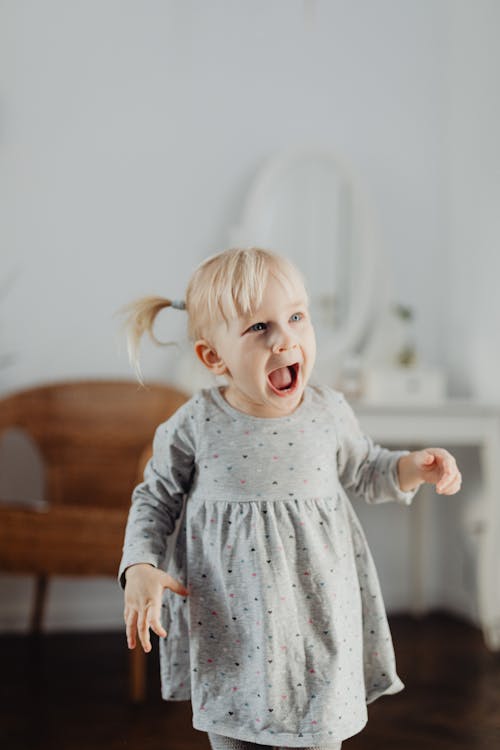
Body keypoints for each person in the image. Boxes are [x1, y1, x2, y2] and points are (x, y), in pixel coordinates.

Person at [118, 247, 462, 750]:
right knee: (237, 734)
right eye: (258, 328)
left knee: (319, 732)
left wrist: (414, 467)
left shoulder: (328, 411)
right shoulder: (198, 424)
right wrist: (140, 565)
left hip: (318, 616)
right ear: (214, 357)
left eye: (296, 317)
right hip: (232, 628)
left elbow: (368, 469)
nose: (285, 339)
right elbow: (155, 500)